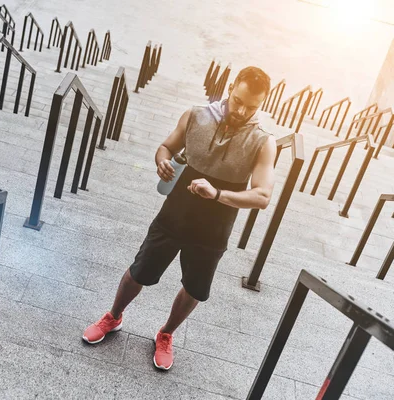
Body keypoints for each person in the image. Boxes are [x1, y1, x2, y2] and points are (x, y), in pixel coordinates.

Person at [82, 66, 277, 370]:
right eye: (238, 100)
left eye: (252, 106)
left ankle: (166, 334)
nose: (242, 110)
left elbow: (263, 196)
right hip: (174, 213)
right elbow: (166, 147)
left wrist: (217, 194)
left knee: (195, 288)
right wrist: (161, 161)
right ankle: (114, 316)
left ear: (263, 103)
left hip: (215, 227)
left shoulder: (263, 141)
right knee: (139, 271)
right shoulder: (196, 115)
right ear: (230, 88)